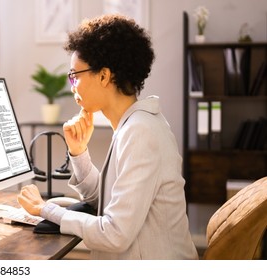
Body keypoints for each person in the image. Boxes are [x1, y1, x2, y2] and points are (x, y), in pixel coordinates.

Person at [18, 14, 198, 259]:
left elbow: (115, 233)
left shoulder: (140, 132)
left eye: (75, 75)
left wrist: (45, 209)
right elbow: (105, 201)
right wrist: (79, 153)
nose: (73, 86)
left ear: (104, 76)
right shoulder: (133, 125)